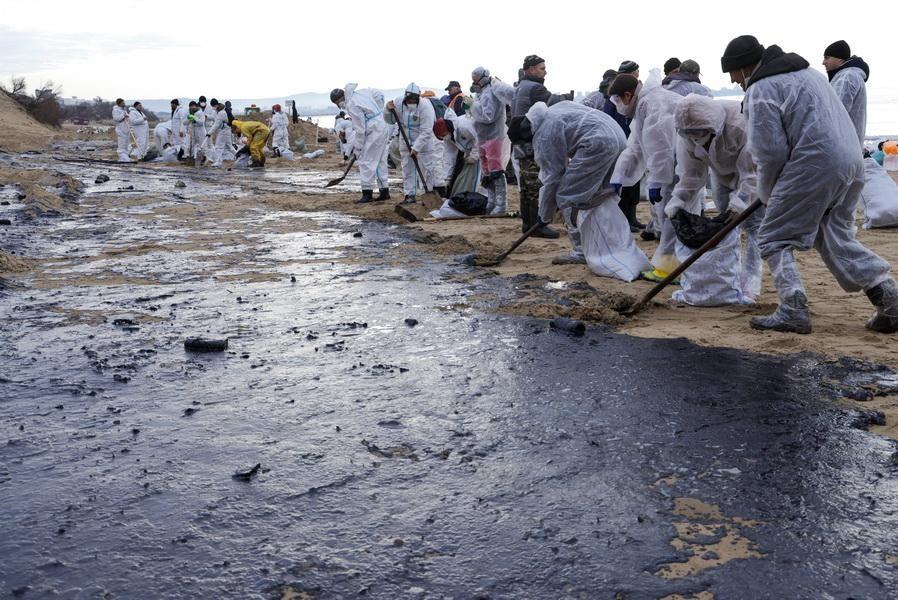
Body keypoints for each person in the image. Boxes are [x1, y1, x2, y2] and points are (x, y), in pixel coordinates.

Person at [721, 35, 898, 333]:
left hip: (814, 164)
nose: (734, 81)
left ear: (741, 68)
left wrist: (766, 193)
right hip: (851, 162)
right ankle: (890, 300)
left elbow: (770, 152)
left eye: (732, 73)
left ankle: (792, 308)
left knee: (773, 236)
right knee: (833, 237)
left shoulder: (761, 89)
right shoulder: (809, 75)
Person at [508, 101, 651, 281]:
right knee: (596, 196)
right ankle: (606, 243)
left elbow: (553, 177)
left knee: (568, 197)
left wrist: (544, 214)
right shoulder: (552, 110)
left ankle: (580, 251)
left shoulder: (543, 134)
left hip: (597, 144)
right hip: (617, 137)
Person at [667, 93, 764, 301]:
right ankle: (729, 277)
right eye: (690, 133)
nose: (695, 137)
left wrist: (738, 205)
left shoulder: (741, 125)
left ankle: (750, 285)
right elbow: (690, 174)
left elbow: (751, 175)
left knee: (755, 227)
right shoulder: (685, 135)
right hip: (720, 174)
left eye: (699, 132)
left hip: (754, 175)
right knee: (726, 222)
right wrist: (678, 199)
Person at [609, 73, 683, 281]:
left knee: (672, 215)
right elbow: (635, 147)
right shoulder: (644, 105)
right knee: (669, 216)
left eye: (617, 101)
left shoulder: (653, 103)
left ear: (627, 95)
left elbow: (660, 148)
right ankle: (671, 267)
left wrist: (658, 181)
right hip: (674, 167)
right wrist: (619, 176)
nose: (617, 106)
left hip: (679, 167)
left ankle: (670, 270)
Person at [512, 54, 574, 239]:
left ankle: (527, 225)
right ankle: (536, 226)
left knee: (525, 184)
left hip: (519, 139)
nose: (545, 71)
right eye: (542, 68)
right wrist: (569, 97)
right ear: (531, 69)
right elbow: (553, 102)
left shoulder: (520, 86)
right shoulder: (536, 88)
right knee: (534, 184)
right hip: (530, 139)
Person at [330, 83, 390, 203]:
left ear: (338, 101)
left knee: (366, 161)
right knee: (379, 161)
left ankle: (367, 193)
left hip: (374, 130)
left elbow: (360, 130)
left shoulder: (352, 104)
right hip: (381, 125)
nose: (340, 105)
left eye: (338, 103)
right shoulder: (358, 94)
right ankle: (384, 191)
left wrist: (357, 150)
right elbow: (377, 93)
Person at [469, 66, 515, 215]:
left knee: (495, 170)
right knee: (486, 171)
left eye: (476, 80)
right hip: (482, 136)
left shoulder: (491, 92)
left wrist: (472, 105)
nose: (474, 83)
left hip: (494, 135)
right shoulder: (481, 93)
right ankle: (491, 201)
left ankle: (501, 204)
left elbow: (488, 116)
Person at [383, 83, 439, 202]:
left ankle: (427, 193)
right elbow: (390, 121)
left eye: (414, 99)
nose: (412, 102)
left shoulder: (426, 107)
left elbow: (426, 130)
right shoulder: (398, 102)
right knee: (407, 169)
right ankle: (409, 195)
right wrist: (387, 110)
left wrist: (416, 148)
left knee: (426, 169)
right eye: (410, 100)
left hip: (425, 143)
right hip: (405, 140)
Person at [823, 40, 869, 147]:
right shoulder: (847, 75)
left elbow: (834, 113)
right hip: (849, 146)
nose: (823, 62)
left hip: (842, 146)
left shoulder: (847, 77)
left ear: (839, 58)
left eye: (827, 58)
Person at [433, 113, 480, 196]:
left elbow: (479, 138)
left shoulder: (464, 127)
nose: (444, 138)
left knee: (485, 178)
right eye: (442, 137)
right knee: (467, 178)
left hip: (489, 143)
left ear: (448, 129)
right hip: (472, 150)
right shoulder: (449, 136)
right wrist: (447, 177)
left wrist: (474, 155)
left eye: (444, 135)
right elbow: (449, 156)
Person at [209, 101, 235, 167]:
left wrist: (209, 133)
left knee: (218, 147)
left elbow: (217, 124)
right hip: (226, 131)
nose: (213, 108)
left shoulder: (221, 113)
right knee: (229, 146)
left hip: (223, 131)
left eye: (213, 106)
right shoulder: (221, 111)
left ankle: (218, 161)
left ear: (216, 105)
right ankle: (239, 155)